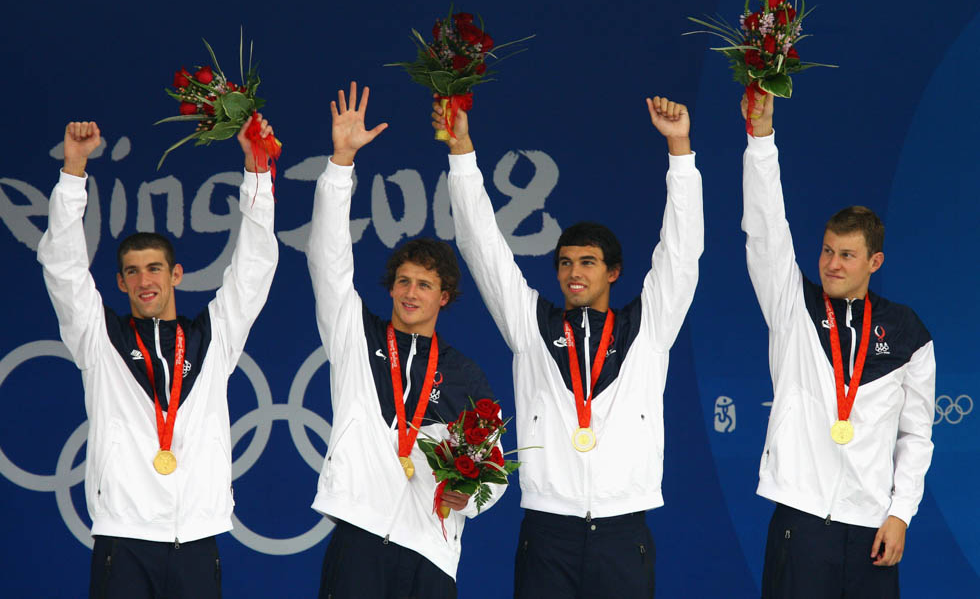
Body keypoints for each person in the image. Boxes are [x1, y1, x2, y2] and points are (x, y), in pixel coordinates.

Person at [435, 95, 703, 597]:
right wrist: (462, 152)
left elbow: (682, 253)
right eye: (564, 262)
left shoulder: (648, 327)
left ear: (613, 272)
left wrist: (680, 150)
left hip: (623, 529)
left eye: (587, 262)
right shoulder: (531, 324)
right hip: (547, 531)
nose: (573, 273)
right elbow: (482, 248)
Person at [38, 116, 279, 598]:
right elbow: (63, 267)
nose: (144, 280)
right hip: (123, 537)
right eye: (132, 272)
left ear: (176, 275)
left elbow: (254, 266)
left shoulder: (213, 337)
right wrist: (73, 172)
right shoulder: (99, 337)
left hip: (197, 537)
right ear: (120, 282)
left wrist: (257, 173)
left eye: (154, 268)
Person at [307, 82, 505, 599]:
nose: (411, 293)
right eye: (403, 282)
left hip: (430, 549)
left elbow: (494, 465)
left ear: (445, 297)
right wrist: (341, 164)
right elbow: (327, 261)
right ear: (391, 287)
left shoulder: (464, 374)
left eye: (424, 285)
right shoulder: (356, 336)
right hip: (360, 534)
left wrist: (470, 498)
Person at [740, 90, 935, 598]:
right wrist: (761, 139)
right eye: (827, 251)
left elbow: (916, 436)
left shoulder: (908, 332)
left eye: (847, 255)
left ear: (875, 262)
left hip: (872, 528)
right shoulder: (792, 306)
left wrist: (900, 514)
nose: (831, 264)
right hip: (800, 521)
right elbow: (765, 231)